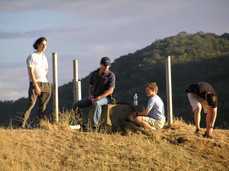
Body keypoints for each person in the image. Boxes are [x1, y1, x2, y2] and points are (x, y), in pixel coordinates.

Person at [73, 57, 116, 128]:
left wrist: (98, 98)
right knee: (76, 105)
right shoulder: (95, 73)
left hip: (106, 98)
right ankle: (79, 124)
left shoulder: (111, 75)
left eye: (108, 66)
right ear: (100, 64)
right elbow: (90, 87)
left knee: (97, 103)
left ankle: (94, 126)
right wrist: (91, 96)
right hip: (94, 96)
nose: (106, 67)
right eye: (105, 65)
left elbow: (110, 90)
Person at [20, 37, 51, 128]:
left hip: (45, 83)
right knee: (31, 104)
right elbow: (31, 72)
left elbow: (46, 69)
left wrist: (44, 76)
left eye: (45, 45)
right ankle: (21, 124)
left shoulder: (44, 57)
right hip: (35, 83)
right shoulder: (32, 56)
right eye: (42, 44)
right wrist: (36, 85)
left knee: (43, 106)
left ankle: (42, 125)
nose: (44, 46)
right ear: (37, 45)